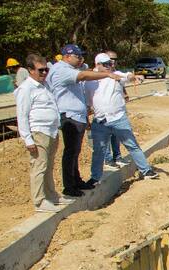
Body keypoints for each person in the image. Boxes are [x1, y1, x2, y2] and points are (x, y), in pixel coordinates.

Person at [45, 44, 124, 197]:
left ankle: (76, 180)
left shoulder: (70, 69)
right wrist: (107, 75)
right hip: (70, 117)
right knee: (70, 152)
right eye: (78, 56)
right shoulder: (62, 70)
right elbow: (83, 76)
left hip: (77, 117)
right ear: (67, 56)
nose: (81, 59)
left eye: (81, 56)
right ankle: (69, 186)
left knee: (75, 151)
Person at [14, 54, 74, 213]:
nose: (44, 73)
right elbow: (22, 115)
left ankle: (51, 195)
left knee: (48, 165)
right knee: (39, 166)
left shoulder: (45, 85)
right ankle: (39, 201)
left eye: (46, 69)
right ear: (30, 70)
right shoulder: (26, 89)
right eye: (41, 70)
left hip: (51, 131)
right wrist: (28, 139)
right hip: (38, 132)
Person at [85, 52, 157, 184]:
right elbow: (88, 102)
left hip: (118, 118)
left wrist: (134, 77)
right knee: (98, 151)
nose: (109, 66)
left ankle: (146, 170)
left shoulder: (116, 75)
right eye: (106, 64)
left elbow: (127, 76)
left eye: (110, 63)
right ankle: (95, 177)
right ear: (97, 65)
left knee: (132, 145)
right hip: (100, 121)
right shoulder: (90, 81)